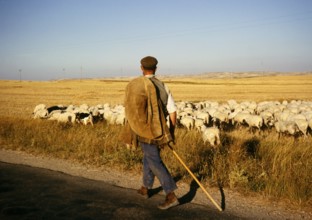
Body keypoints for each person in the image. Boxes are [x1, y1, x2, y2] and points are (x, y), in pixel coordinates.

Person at [121, 56, 179, 210]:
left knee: (154, 160)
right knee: (148, 156)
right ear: (156, 68)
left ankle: (171, 194)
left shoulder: (137, 86)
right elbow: (173, 111)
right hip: (160, 129)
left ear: (141, 68)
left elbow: (131, 109)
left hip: (143, 130)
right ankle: (145, 188)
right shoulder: (163, 86)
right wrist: (170, 132)